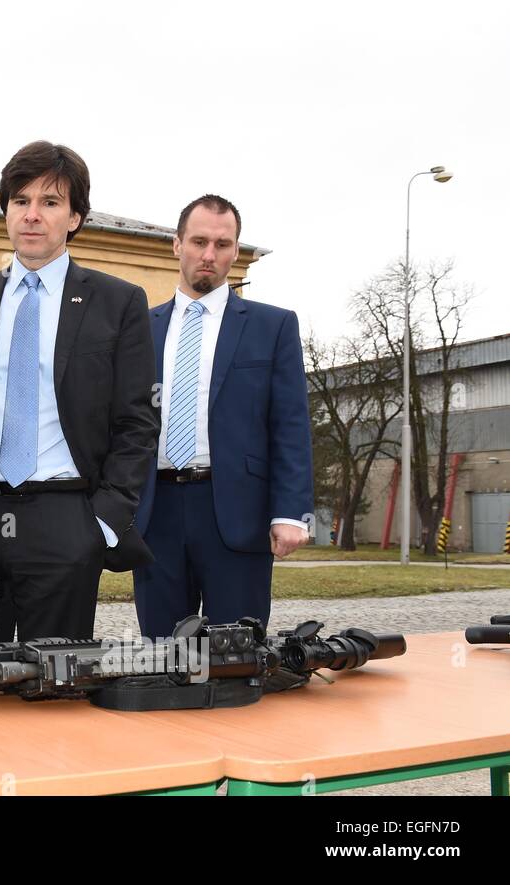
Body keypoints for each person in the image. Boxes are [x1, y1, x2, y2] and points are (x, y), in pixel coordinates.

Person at [0, 141, 158, 645]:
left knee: (54, 693)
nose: (32, 215)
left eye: (50, 202)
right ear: (5, 210)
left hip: (65, 520)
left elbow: (136, 423)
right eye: (20, 200)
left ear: (74, 216)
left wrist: (103, 523)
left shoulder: (118, 303)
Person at [132, 195, 312, 639]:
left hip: (236, 514)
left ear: (235, 251)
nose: (209, 255)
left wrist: (291, 512)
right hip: (157, 514)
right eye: (198, 241)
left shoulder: (273, 327)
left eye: (222, 244)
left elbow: (290, 424)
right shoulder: (139, 328)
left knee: (238, 656)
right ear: (177, 245)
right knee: (162, 656)